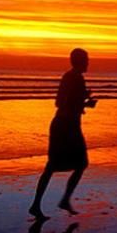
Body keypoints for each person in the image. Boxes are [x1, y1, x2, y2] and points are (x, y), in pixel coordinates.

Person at [29, 48, 97, 220]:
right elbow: (65, 103)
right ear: (80, 61)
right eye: (86, 59)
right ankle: (55, 201)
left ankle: (40, 204)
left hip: (63, 124)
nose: (88, 63)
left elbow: (60, 101)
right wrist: (86, 103)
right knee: (78, 163)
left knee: (56, 166)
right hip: (67, 127)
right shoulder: (76, 78)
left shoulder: (69, 76)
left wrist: (82, 100)